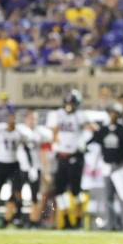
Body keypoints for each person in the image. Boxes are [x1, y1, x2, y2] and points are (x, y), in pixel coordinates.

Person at [88, 103, 123, 231]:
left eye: (115, 112)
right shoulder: (103, 130)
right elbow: (98, 149)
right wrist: (93, 165)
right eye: (111, 112)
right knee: (108, 197)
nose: (112, 115)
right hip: (106, 166)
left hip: (119, 166)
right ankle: (111, 224)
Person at [47, 90, 90, 229]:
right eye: (68, 102)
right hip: (61, 156)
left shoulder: (80, 116)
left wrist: (83, 143)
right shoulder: (57, 115)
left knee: (76, 191)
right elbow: (54, 132)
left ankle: (78, 219)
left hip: (75, 156)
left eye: (72, 103)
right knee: (60, 191)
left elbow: (90, 129)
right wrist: (56, 146)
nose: (69, 106)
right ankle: (65, 219)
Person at [0, 108, 28, 227]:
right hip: (1, 163)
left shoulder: (20, 131)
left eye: (13, 118)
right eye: (10, 117)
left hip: (13, 164)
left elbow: (29, 137)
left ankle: (17, 217)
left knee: (18, 191)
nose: (12, 120)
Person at [17, 109, 53, 228]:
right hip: (21, 168)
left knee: (35, 195)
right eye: (31, 118)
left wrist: (45, 170)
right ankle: (17, 218)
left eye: (35, 118)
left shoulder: (40, 133)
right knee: (17, 193)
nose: (33, 121)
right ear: (26, 119)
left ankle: (33, 221)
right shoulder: (20, 130)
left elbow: (44, 152)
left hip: (35, 167)